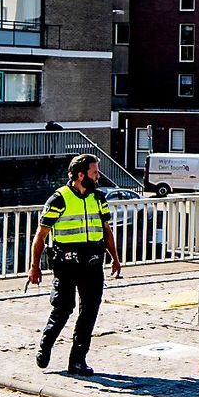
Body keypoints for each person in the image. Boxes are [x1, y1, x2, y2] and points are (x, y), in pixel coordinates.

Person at [28, 154, 122, 375]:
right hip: (66, 264)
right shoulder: (58, 199)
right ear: (81, 175)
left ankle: (77, 361)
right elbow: (40, 236)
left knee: (89, 311)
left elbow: (107, 231)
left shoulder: (98, 198)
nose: (98, 177)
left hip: (92, 263)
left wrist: (115, 259)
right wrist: (34, 266)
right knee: (63, 308)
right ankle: (46, 344)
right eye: (94, 173)